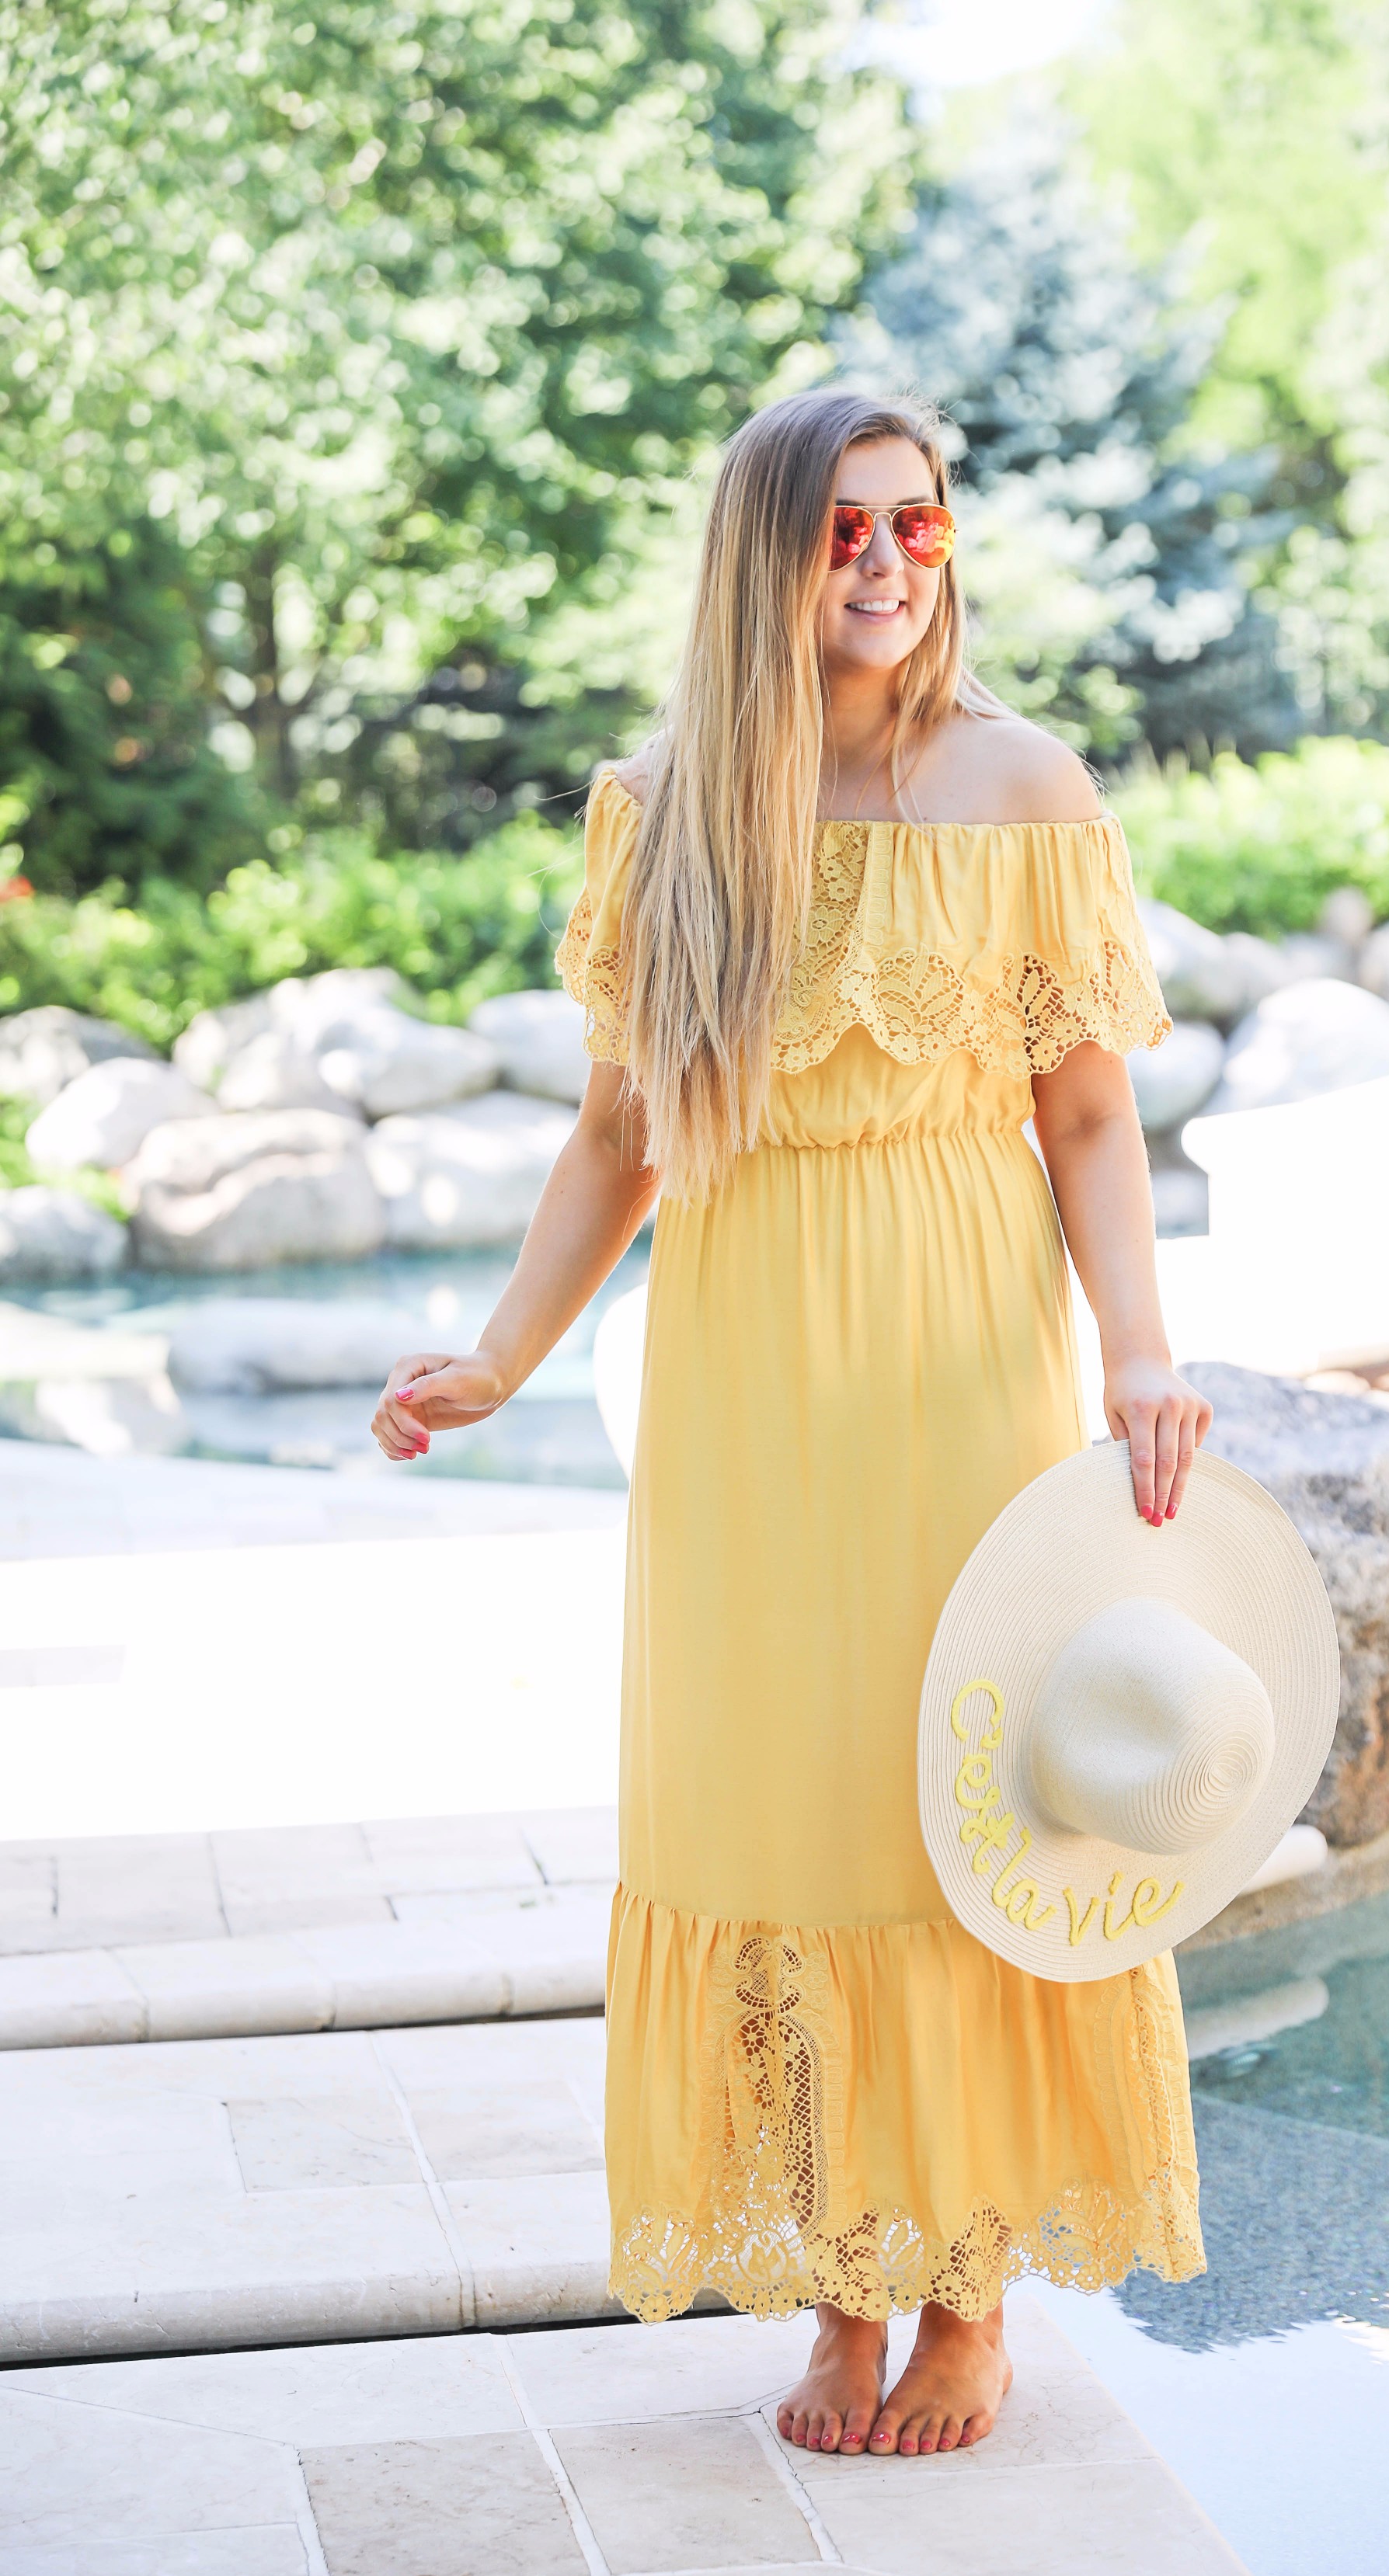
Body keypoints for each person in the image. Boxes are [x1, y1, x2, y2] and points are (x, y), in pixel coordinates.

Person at [371, 388, 1213, 2460]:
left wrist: (1140, 1356)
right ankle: (837, 2290)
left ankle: (969, 2305)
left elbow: (1089, 1115)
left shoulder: (1026, 788)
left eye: (918, 529)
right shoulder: (668, 809)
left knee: (948, 1802)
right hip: (745, 1375)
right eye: (844, 530)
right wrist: (501, 1351)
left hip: (956, 1355)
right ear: (763, 556)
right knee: (781, 1805)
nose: (888, 566)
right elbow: (613, 1141)